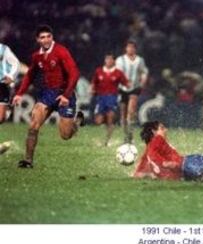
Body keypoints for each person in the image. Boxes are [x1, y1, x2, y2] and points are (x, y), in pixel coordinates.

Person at [12, 25, 83, 168]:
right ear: (38, 39)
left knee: (65, 135)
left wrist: (66, 95)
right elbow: (30, 75)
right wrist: (19, 94)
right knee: (33, 126)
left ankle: (78, 122)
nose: (46, 40)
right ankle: (28, 161)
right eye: (43, 37)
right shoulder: (36, 56)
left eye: (48, 36)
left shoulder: (61, 51)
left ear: (52, 37)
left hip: (65, 93)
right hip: (48, 93)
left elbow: (74, 73)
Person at [91, 53, 128, 146]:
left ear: (114, 61)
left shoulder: (118, 73)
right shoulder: (99, 71)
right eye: (107, 59)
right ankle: (106, 127)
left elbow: (126, 83)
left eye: (110, 59)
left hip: (112, 98)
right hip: (101, 98)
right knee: (98, 120)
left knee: (110, 117)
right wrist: (92, 89)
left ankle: (107, 140)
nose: (108, 61)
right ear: (105, 60)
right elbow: (94, 82)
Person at [115, 40, 149, 143]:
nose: (130, 49)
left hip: (135, 88)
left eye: (132, 47)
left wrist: (143, 80)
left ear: (135, 49)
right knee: (123, 114)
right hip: (122, 89)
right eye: (129, 47)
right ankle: (126, 134)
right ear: (126, 48)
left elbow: (144, 71)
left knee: (131, 111)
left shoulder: (139, 60)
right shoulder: (120, 60)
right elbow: (118, 74)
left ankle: (131, 135)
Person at [0, 43, 20, 154]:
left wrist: (11, 76)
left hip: (1, 85)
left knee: (1, 118)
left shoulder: (3, 49)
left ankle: (7, 112)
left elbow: (15, 63)